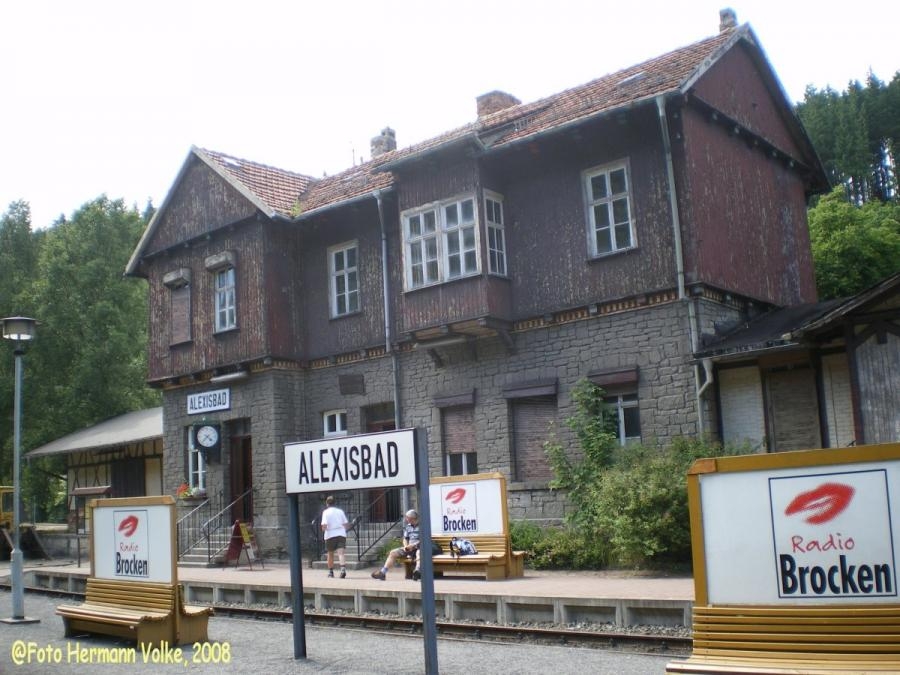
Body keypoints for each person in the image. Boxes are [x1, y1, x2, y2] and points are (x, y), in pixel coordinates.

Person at [371, 509, 421, 580]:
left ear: (412, 518)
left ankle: (417, 571)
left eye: (407, 518)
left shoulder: (422, 526)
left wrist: (413, 545)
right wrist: (406, 546)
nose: (406, 519)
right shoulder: (408, 526)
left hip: (419, 547)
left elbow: (424, 539)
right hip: (409, 548)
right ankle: (383, 573)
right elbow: (405, 538)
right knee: (393, 553)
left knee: (420, 552)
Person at [320, 495, 349, 578]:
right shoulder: (340, 511)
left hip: (330, 534)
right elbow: (346, 524)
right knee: (341, 553)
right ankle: (343, 570)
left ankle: (331, 572)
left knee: (330, 554)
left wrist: (323, 529)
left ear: (327, 503)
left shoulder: (325, 512)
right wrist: (344, 530)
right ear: (335, 503)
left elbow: (324, 525)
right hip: (341, 533)